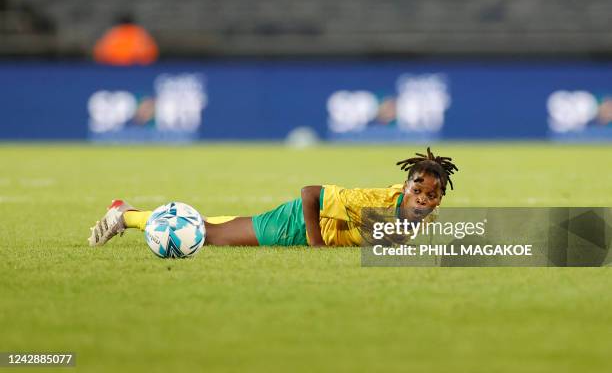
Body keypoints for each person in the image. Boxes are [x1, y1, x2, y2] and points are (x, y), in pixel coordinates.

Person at [89, 148, 458, 247]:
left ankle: (129, 212)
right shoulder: (370, 202)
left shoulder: (421, 215)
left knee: (222, 225)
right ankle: (127, 216)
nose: (423, 198)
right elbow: (311, 193)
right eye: (417, 189)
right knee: (208, 236)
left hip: (308, 226)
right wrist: (315, 244)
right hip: (296, 224)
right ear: (405, 187)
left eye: (431, 194)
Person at [93, 13, 158, 66]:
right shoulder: (140, 33)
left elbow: (100, 53)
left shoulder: (112, 33)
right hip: (134, 68)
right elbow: (149, 53)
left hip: (114, 67)